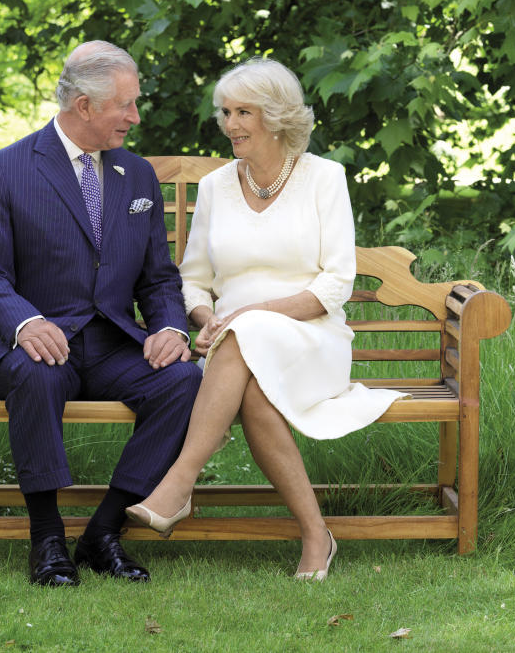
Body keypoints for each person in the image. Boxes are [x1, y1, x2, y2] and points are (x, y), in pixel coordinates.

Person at [125, 57, 407, 581]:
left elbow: (334, 285)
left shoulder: (324, 178)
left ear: (276, 117)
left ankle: (179, 480)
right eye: (226, 112)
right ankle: (315, 535)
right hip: (237, 349)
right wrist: (208, 317)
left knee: (246, 330)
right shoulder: (214, 188)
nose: (231, 124)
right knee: (252, 384)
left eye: (244, 112)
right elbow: (193, 279)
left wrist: (244, 315)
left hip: (313, 340)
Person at [0, 41, 202, 587]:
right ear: (85, 107)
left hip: (111, 344)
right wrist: (25, 322)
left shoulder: (137, 175)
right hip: (36, 343)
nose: (135, 117)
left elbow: (159, 277)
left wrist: (169, 326)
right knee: (36, 372)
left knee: (184, 380)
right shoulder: (8, 168)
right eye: (126, 105)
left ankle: (103, 531)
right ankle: (47, 539)